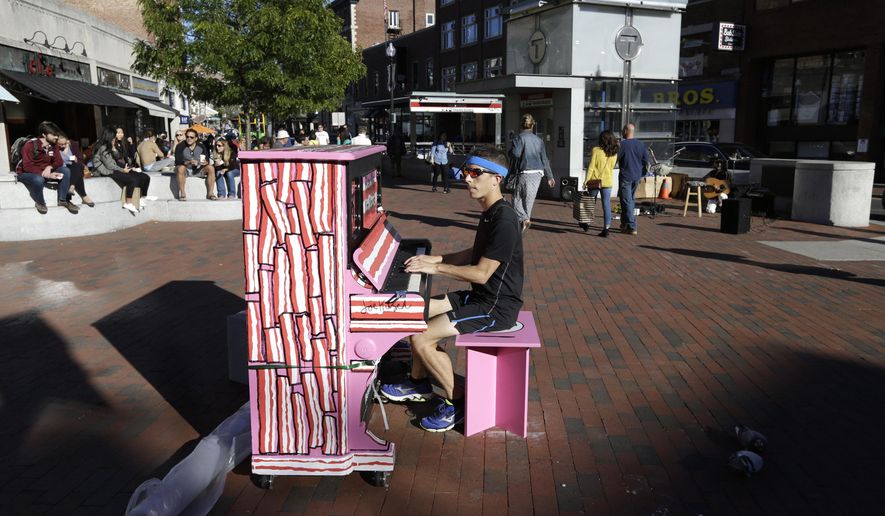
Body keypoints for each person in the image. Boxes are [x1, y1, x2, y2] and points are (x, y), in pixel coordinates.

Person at [379, 146, 523, 432]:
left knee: (421, 339)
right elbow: (475, 252)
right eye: (465, 172)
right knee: (414, 313)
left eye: (474, 173)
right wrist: (438, 258)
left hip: (495, 307)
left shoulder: (505, 219)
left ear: (496, 178)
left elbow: (481, 274)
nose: (466, 179)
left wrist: (436, 268)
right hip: (482, 297)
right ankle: (418, 383)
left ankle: (457, 403)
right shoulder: (491, 212)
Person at [16, 121, 78, 214]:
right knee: (39, 179)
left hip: (45, 170)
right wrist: (47, 175)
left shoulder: (53, 146)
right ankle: (40, 202)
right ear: (44, 135)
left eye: (56, 134)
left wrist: (50, 167)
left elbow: (59, 162)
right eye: (53, 134)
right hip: (26, 172)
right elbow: (27, 166)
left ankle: (63, 200)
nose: (56, 137)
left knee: (65, 170)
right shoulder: (29, 145)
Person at [509, 114, 555, 233]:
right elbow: (545, 159)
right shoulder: (539, 140)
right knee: (528, 200)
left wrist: (511, 149)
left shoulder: (519, 138)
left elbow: (516, 154)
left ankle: (524, 220)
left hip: (525, 172)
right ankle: (524, 223)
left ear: (521, 125)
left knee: (516, 200)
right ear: (533, 125)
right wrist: (550, 176)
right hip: (538, 173)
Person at [92, 127, 152, 215]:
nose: (115, 138)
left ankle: (142, 197)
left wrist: (127, 168)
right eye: (114, 136)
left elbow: (117, 160)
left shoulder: (111, 145)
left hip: (116, 168)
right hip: (108, 171)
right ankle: (128, 202)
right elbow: (110, 165)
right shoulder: (103, 148)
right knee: (133, 180)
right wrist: (123, 170)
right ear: (109, 136)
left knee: (144, 177)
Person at [616, 123, 650, 236]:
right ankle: (624, 223)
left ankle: (631, 226)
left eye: (622, 130)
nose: (621, 132)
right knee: (629, 200)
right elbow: (646, 162)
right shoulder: (641, 144)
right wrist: (642, 174)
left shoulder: (622, 145)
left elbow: (614, 159)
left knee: (626, 201)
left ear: (626, 131)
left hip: (626, 176)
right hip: (636, 176)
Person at [583, 130, 619, 237]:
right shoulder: (614, 153)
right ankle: (606, 229)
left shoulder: (596, 150)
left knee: (589, 203)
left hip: (595, 181)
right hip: (607, 182)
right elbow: (611, 167)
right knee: (606, 205)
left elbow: (591, 167)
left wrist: (586, 181)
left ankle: (587, 223)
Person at [174, 128, 217, 201]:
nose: (189, 139)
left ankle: (210, 193)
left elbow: (206, 159)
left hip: (199, 169)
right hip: (186, 170)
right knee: (180, 168)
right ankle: (182, 193)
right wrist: (189, 162)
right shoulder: (180, 146)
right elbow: (177, 161)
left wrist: (205, 162)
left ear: (196, 138)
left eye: (191, 137)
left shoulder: (201, 146)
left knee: (211, 168)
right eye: (187, 137)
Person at [56, 133, 93, 208]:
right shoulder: (54, 148)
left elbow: (80, 159)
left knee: (78, 166)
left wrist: (76, 159)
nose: (63, 146)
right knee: (77, 172)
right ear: (57, 142)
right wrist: (66, 160)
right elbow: (55, 162)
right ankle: (84, 196)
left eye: (65, 143)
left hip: (74, 166)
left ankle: (72, 186)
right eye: (60, 144)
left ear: (67, 141)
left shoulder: (73, 144)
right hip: (63, 168)